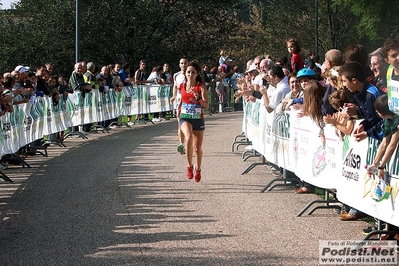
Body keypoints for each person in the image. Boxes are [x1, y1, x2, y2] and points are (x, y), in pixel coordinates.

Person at [177, 61, 209, 182]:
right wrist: (178, 107)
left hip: (198, 118)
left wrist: (198, 98)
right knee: (188, 137)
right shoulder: (182, 86)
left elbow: (206, 106)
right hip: (185, 117)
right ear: (185, 73)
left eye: (193, 72)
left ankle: (198, 168)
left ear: (197, 74)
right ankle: (189, 167)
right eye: (188, 72)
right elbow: (182, 99)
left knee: (197, 148)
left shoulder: (200, 87)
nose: (190, 74)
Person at [171, 57, 188, 155]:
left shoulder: (191, 74)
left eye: (185, 63)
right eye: (182, 63)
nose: (184, 65)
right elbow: (175, 86)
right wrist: (174, 96)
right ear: (179, 64)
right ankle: (181, 144)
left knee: (190, 123)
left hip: (188, 101)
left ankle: (189, 142)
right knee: (180, 123)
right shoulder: (176, 75)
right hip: (179, 100)